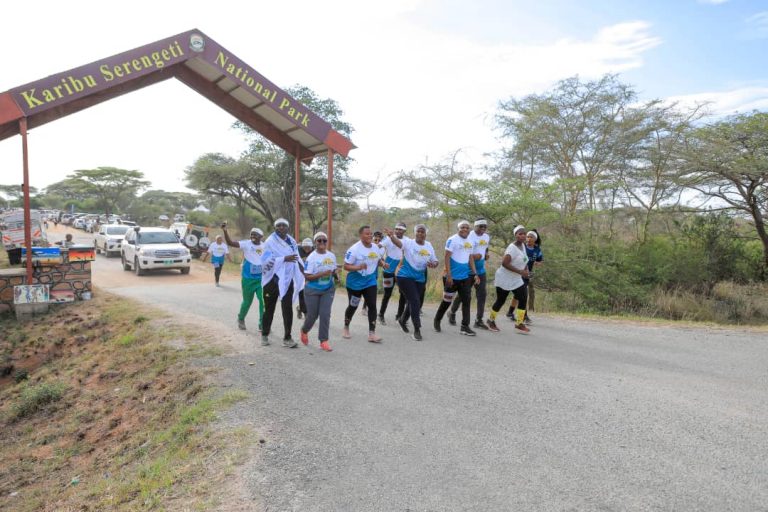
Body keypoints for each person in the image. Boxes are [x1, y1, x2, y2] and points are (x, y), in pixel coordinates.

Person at [389, 224, 439, 340]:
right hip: (405, 276)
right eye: (418, 232)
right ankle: (417, 329)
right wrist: (392, 236)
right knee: (415, 301)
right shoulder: (409, 243)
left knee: (415, 301)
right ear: (415, 233)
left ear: (426, 234)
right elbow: (398, 243)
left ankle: (402, 320)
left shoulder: (429, 245)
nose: (420, 234)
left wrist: (433, 264)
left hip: (419, 278)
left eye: (423, 232)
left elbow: (435, 261)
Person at [259, 218, 304, 348]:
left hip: (287, 279)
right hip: (272, 279)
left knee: (287, 308)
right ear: (275, 228)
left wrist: (303, 272)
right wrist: (284, 258)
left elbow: (297, 258)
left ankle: (287, 337)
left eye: (284, 225)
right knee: (269, 308)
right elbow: (265, 260)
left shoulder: (292, 241)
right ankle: (264, 334)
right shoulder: (269, 242)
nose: (281, 228)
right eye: (278, 226)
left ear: (288, 227)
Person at [433, 220, 480, 336]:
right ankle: (437, 320)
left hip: (465, 277)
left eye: (467, 228)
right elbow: (447, 257)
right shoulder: (452, 240)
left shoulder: (470, 241)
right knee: (447, 301)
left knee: (466, 301)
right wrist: (449, 275)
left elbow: (470, 258)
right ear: (458, 229)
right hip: (451, 278)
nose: (465, 229)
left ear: (469, 230)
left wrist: (475, 274)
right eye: (462, 227)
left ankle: (464, 327)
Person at [343, 225, 387, 343]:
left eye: (371, 233)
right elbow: (346, 266)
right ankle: (346, 326)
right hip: (355, 283)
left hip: (370, 280)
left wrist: (382, 263)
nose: (370, 235)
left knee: (372, 305)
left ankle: (372, 334)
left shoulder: (375, 247)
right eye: (367, 234)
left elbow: (377, 259)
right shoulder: (354, 249)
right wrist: (358, 267)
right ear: (361, 235)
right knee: (353, 306)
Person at [223, 225, 266, 338]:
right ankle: (241, 318)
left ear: (261, 236)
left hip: (261, 279)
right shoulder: (246, 244)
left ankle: (263, 324)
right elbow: (231, 243)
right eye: (251, 234)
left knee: (263, 301)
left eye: (255, 234)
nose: (252, 236)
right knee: (247, 301)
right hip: (248, 279)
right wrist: (225, 231)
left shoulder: (265, 246)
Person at [487, 225, 530, 334]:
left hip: (516, 279)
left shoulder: (523, 246)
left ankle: (519, 323)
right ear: (515, 235)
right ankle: (490, 320)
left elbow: (524, 260)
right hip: (504, 278)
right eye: (520, 234)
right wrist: (521, 272)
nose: (523, 235)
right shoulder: (512, 248)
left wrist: (526, 271)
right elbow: (505, 263)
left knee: (524, 297)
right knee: (501, 301)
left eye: (524, 233)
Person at [449, 218, 490, 331]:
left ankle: (478, 320)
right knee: (464, 296)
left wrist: (486, 254)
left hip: (481, 270)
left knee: (482, 294)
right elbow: (466, 252)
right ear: (475, 226)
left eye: (484, 227)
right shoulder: (469, 236)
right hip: (468, 270)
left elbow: (486, 248)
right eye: (480, 226)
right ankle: (452, 312)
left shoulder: (486, 236)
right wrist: (474, 256)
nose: (482, 229)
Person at [299, 232, 337, 352]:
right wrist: (322, 274)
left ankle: (323, 341)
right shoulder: (311, 257)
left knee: (325, 314)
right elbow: (307, 276)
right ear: (315, 243)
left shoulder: (331, 256)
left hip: (328, 289)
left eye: (324, 240)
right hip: (312, 290)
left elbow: (333, 269)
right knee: (312, 316)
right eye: (319, 240)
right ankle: (304, 330)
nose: (322, 243)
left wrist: (336, 276)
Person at [507, 229, 543, 323]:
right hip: (518, 273)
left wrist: (538, 263)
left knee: (518, 295)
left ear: (535, 239)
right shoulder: (522, 247)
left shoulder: (537, 250)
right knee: (522, 295)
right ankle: (524, 316)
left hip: (527, 274)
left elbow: (540, 260)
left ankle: (510, 312)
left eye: (531, 237)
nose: (528, 238)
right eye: (527, 236)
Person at [378, 222, 408, 325]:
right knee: (387, 294)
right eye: (397, 229)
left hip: (401, 271)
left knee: (403, 294)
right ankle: (381, 315)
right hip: (388, 270)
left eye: (401, 229)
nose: (398, 231)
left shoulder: (408, 241)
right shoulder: (388, 239)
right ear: (394, 230)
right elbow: (378, 246)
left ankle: (399, 316)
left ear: (404, 231)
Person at [296, 238, 313, 319]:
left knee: (309, 294)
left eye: (308, 247)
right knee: (302, 293)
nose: (307, 249)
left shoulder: (314, 251)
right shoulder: (298, 250)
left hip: (310, 274)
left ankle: (300, 308)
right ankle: (306, 312)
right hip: (300, 274)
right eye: (305, 247)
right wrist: (303, 275)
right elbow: (297, 264)